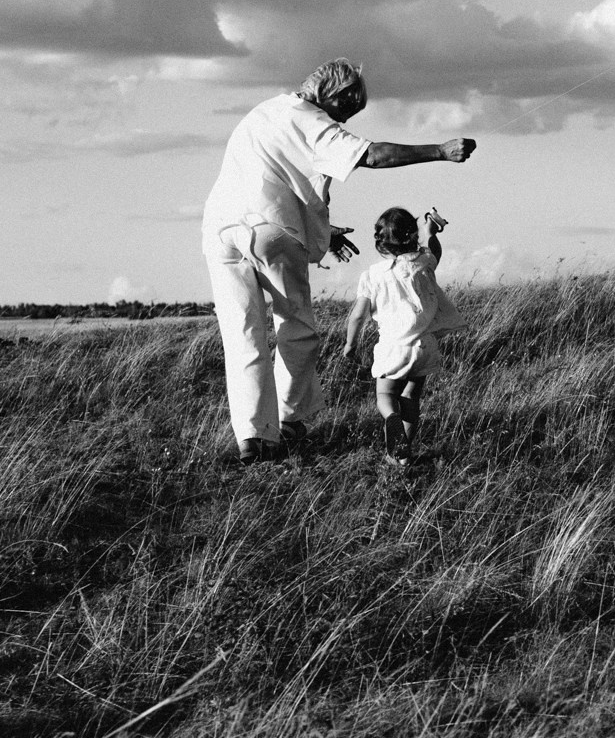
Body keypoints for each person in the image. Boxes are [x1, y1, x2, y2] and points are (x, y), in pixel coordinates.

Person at [199, 58, 475, 464]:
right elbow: (372, 155)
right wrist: (440, 151)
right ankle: (289, 423)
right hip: (273, 229)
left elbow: (275, 175)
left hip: (220, 231)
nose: (345, 121)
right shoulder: (311, 119)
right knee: (295, 328)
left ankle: (252, 439)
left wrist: (322, 233)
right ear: (336, 95)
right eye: (348, 110)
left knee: (242, 337)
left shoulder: (265, 111)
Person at [340, 206, 467, 464]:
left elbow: (357, 316)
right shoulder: (423, 264)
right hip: (425, 346)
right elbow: (435, 252)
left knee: (386, 396)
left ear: (380, 242)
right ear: (412, 236)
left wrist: (349, 344)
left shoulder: (373, 275)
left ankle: (391, 419)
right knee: (410, 397)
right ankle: (402, 454)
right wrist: (430, 232)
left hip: (393, 349)